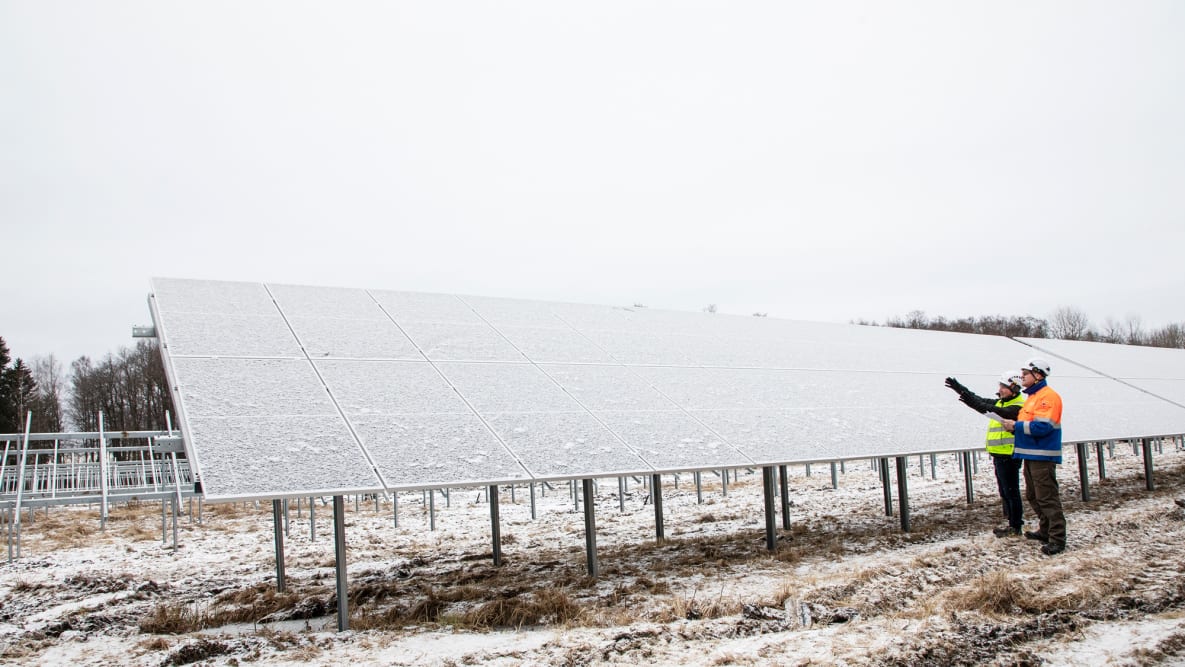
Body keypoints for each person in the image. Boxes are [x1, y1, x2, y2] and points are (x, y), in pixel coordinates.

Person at [944, 372, 1026, 537]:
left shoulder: (1017, 407)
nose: (1000, 390)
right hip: (999, 454)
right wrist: (960, 389)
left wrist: (972, 402)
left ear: (1015, 389)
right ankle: (1012, 523)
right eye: (1000, 386)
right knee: (1005, 491)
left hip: (1009, 455)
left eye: (1004, 387)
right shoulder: (1002, 402)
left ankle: (1015, 526)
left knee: (1011, 492)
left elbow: (990, 409)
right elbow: (979, 399)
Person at [1001, 357, 1066, 556]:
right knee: (1033, 495)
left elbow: (1043, 427)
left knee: (1047, 497)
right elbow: (1028, 425)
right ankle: (1045, 530)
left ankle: (1057, 538)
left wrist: (1016, 425)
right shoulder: (1032, 397)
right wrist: (1015, 428)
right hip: (1030, 453)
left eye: (1025, 374)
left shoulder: (1047, 397)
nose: (1022, 377)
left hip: (1042, 455)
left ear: (1038, 375)